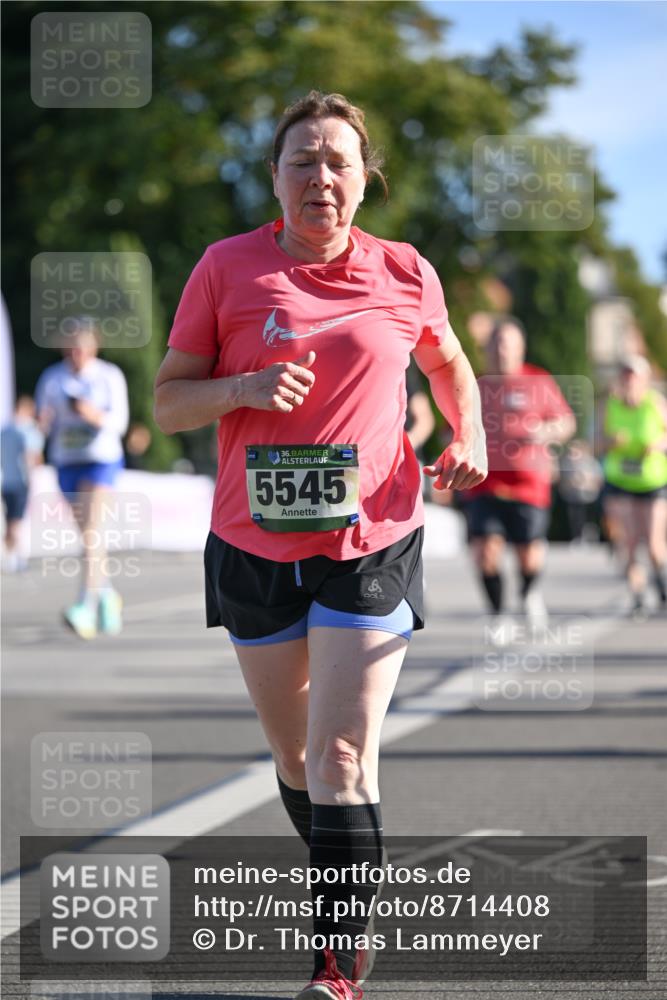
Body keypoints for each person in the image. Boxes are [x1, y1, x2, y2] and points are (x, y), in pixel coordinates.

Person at [154, 90, 486, 1000]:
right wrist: (245, 387)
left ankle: (335, 967)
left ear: (364, 180)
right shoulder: (226, 268)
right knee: (297, 756)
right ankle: (356, 876)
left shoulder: (405, 270)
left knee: (341, 755)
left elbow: (447, 359)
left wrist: (472, 432)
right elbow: (169, 399)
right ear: (275, 178)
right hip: (252, 544)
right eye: (302, 160)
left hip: (371, 535)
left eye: (338, 160)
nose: (321, 177)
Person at [458, 316, 576, 635]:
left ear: (521, 347)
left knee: (529, 555)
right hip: (486, 483)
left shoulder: (539, 381)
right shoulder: (477, 386)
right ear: (488, 349)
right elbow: (453, 432)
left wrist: (546, 431)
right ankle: (497, 615)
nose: (501, 350)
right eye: (496, 344)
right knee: (485, 551)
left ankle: (528, 594)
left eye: (508, 344)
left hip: (529, 484)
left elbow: (566, 423)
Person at [35, 319, 129, 638]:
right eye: (70, 346)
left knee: (91, 533)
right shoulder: (52, 378)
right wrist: (42, 423)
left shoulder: (108, 376)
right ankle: (107, 595)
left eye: (82, 346)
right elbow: (43, 423)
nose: (76, 353)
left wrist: (92, 415)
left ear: (93, 346)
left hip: (100, 461)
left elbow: (120, 422)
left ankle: (85, 606)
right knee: (91, 539)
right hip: (67, 462)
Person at [601, 355, 667, 618]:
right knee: (627, 543)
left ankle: (661, 582)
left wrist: (657, 444)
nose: (630, 381)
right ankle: (637, 595)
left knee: (652, 542)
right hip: (620, 481)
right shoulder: (611, 406)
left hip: (652, 480)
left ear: (645, 380)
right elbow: (596, 441)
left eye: (635, 376)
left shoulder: (655, 404)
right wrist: (611, 442)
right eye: (625, 375)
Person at [1, 396, 44, 572]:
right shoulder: (27, 431)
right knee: (16, 521)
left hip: (6, 482)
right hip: (20, 482)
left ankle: (11, 556)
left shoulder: (4, 431)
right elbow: (32, 457)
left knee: (11, 520)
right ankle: (15, 558)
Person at [557, 438, 603, 543]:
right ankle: (576, 537)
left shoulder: (590, 462)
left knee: (589, 517)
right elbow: (561, 478)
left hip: (588, 495)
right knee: (574, 517)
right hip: (572, 495)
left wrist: (586, 480)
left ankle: (591, 536)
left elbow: (598, 477)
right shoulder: (566, 462)